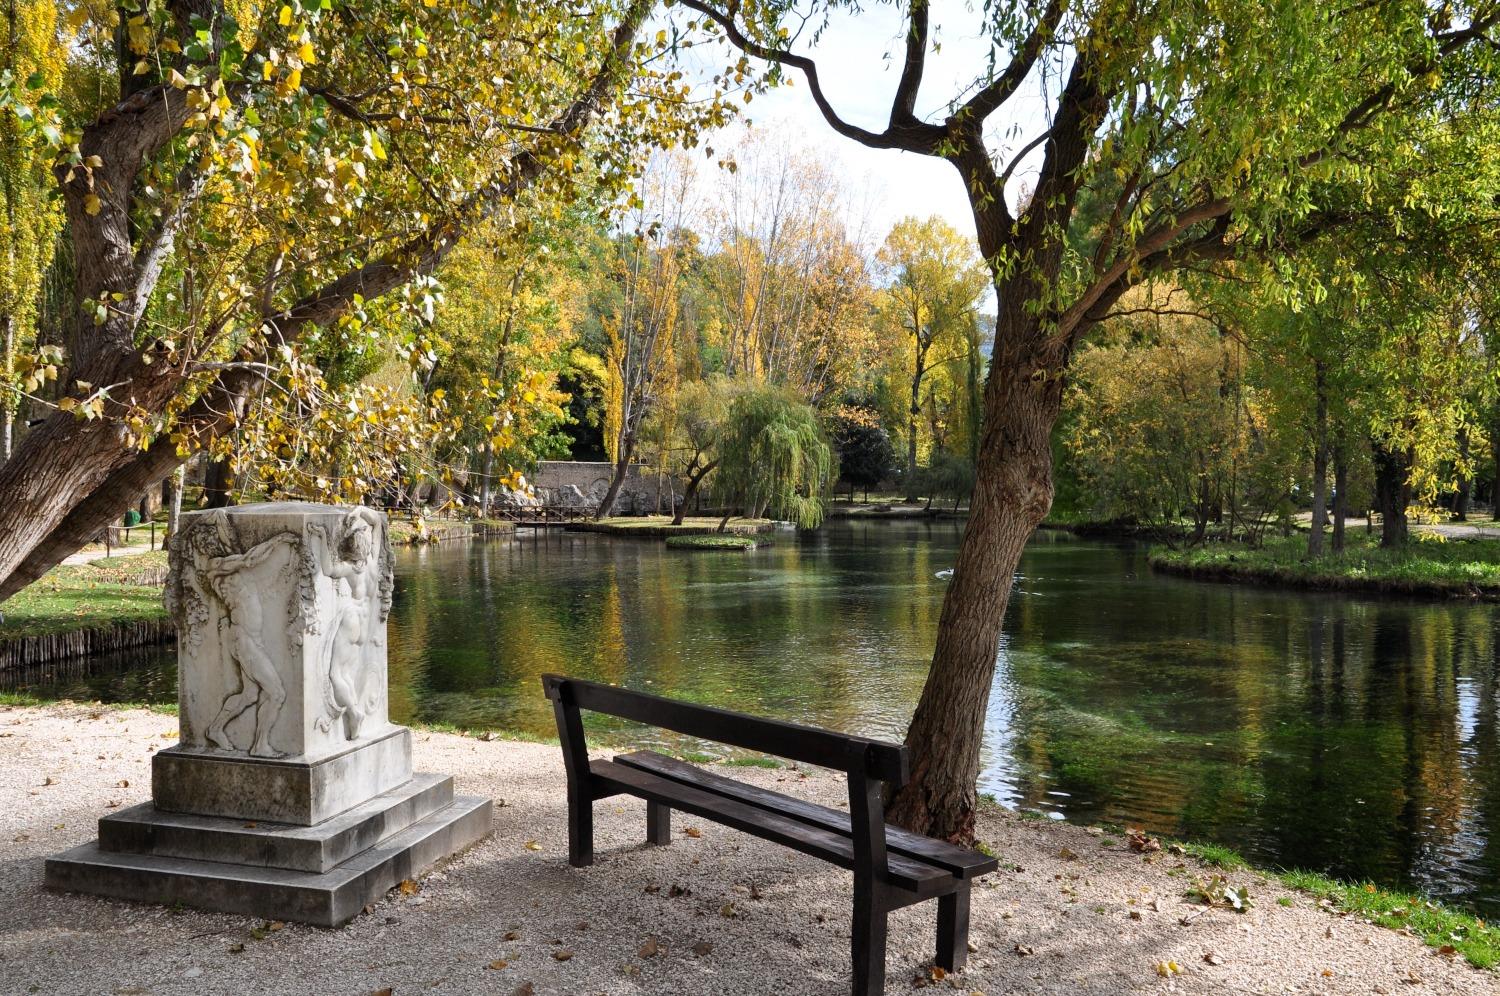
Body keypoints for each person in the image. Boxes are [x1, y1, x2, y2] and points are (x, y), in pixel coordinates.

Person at [201, 525, 301, 757]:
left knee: (250, 694)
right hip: (244, 640)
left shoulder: (232, 570)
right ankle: (260, 745)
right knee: (276, 693)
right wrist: (279, 539)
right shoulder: (218, 568)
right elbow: (250, 558)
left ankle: (215, 729)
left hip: (249, 639)